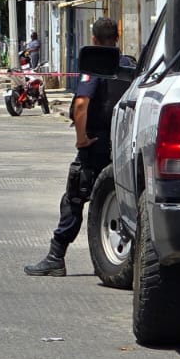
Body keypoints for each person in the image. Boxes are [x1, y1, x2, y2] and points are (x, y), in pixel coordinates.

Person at [24, 18, 127, 277]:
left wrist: (81, 139)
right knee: (122, 198)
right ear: (118, 36)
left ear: (94, 39)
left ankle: (55, 257)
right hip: (123, 143)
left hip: (96, 144)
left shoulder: (95, 66)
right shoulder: (128, 65)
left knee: (74, 198)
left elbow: (81, 104)